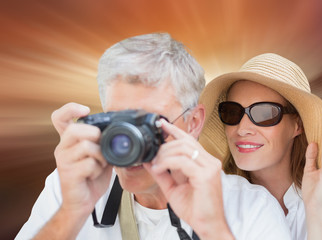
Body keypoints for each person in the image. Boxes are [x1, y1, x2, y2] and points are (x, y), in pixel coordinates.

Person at [16, 34, 292, 240]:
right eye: (120, 122)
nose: (130, 143)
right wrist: (71, 213)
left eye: (150, 123)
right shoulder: (71, 185)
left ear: (193, 122)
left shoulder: (249, 207)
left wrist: (213, 229)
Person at [199, 53, 322, 240]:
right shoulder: (212, 205)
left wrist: (317, 214)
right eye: (232, 112)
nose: (242, 129)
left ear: (298, 125)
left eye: (264, 113)